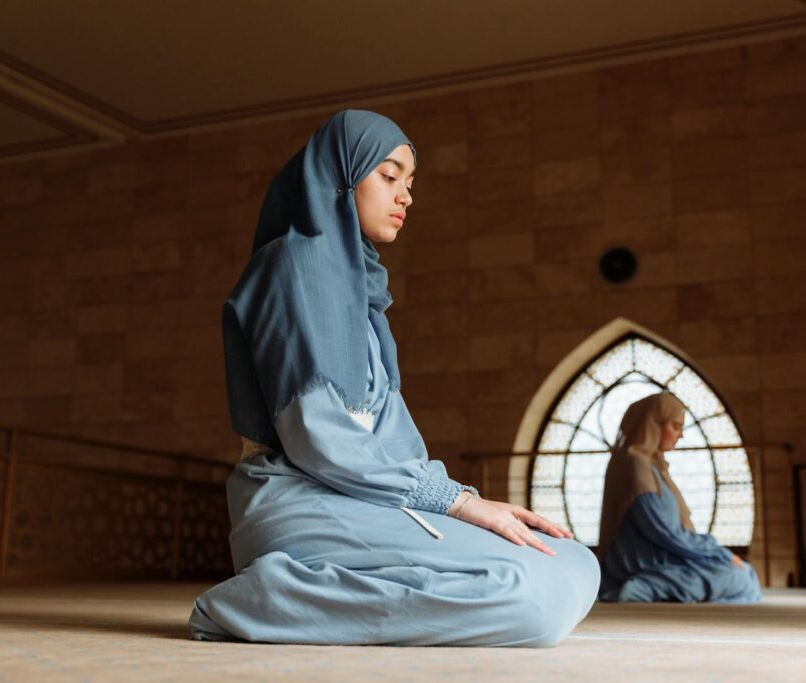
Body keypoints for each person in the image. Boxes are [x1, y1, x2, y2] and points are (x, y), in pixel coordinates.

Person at [188, 110, 599, 646]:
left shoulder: (361, 297)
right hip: (299, 499)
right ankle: (262, 601)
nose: (405, 196)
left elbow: (395, 437)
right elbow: (316, 437)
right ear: (340, 176)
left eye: (409, 183)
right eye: (388, 176)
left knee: (574, 562)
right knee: (532, 603)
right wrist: (457, 503)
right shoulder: (291, 265)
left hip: (364, 499)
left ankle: (325, 592)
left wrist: (457, 499)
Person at [597, 392, 762, 603]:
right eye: (675, 427)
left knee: (745, 576)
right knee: (739, 578)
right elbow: (664, 532)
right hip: (648, 563)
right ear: (653, 425)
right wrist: (720, 553)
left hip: (667, 555)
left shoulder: (653, 467)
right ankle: (644, 588)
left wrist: (718, 554)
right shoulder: (634, 464)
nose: (680, 435)